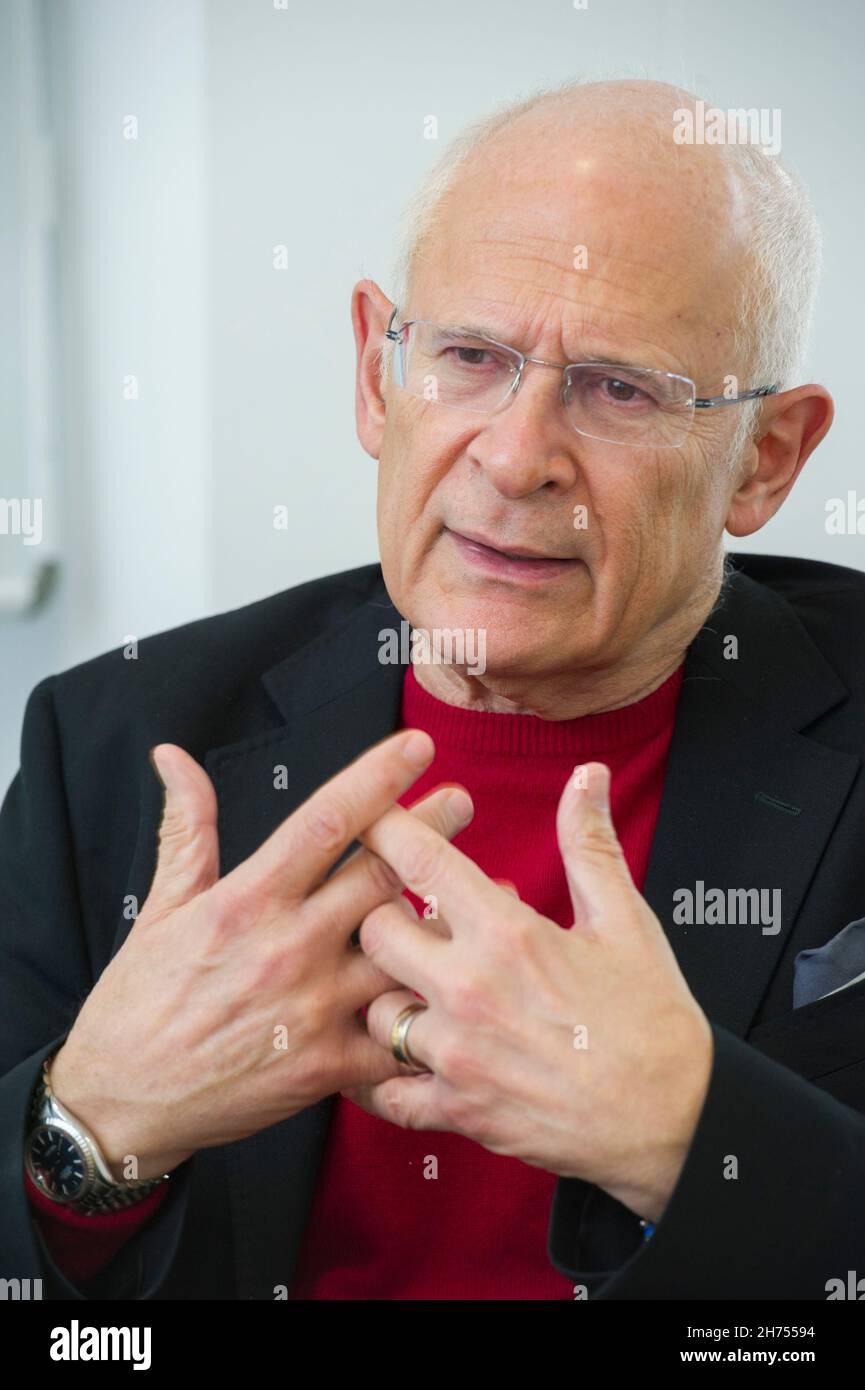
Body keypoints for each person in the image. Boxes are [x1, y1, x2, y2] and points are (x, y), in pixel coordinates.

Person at [3, 78, 864, 1301]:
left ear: (763, 458)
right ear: (374, 372)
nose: (514, 456)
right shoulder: (116, 738)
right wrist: (88, 1130)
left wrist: (692, 1132)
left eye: (619, 387)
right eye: (469, 357)